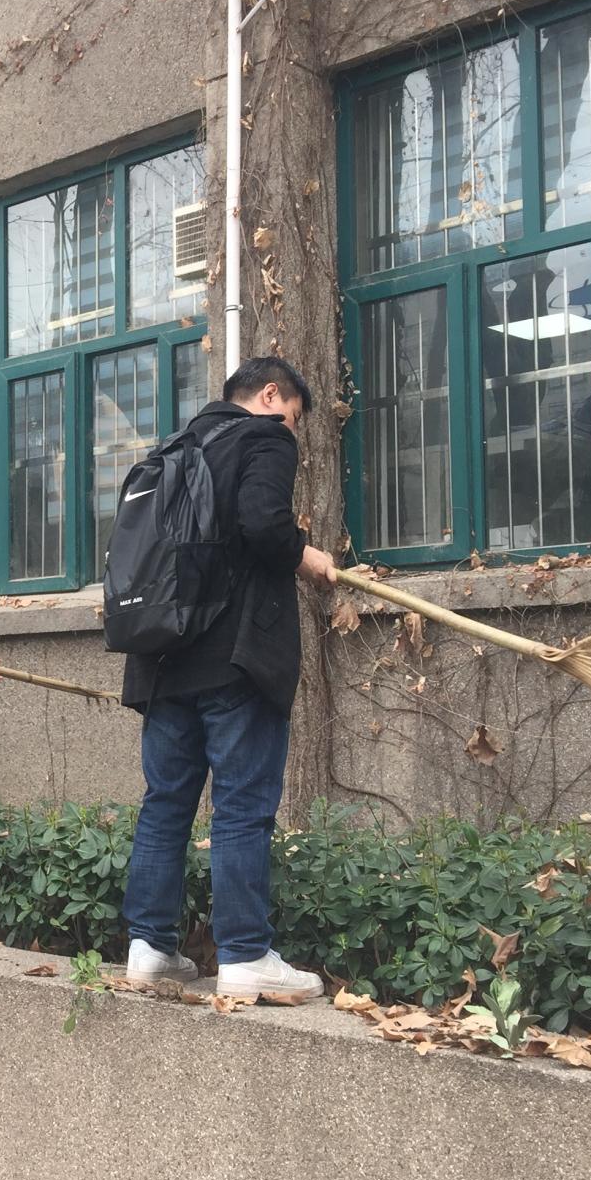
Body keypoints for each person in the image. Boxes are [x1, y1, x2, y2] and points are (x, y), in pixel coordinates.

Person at [118, 356, 337, 1002]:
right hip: (235, 658)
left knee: (166, 803)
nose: (291, 432)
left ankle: (149, 948)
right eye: (292, 417)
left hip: (162, 658)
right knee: (242, 805)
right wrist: (307, 555)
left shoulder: (174, 448)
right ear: (270, 395)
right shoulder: (262, 437)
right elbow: (263, 523)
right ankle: (245, 954)